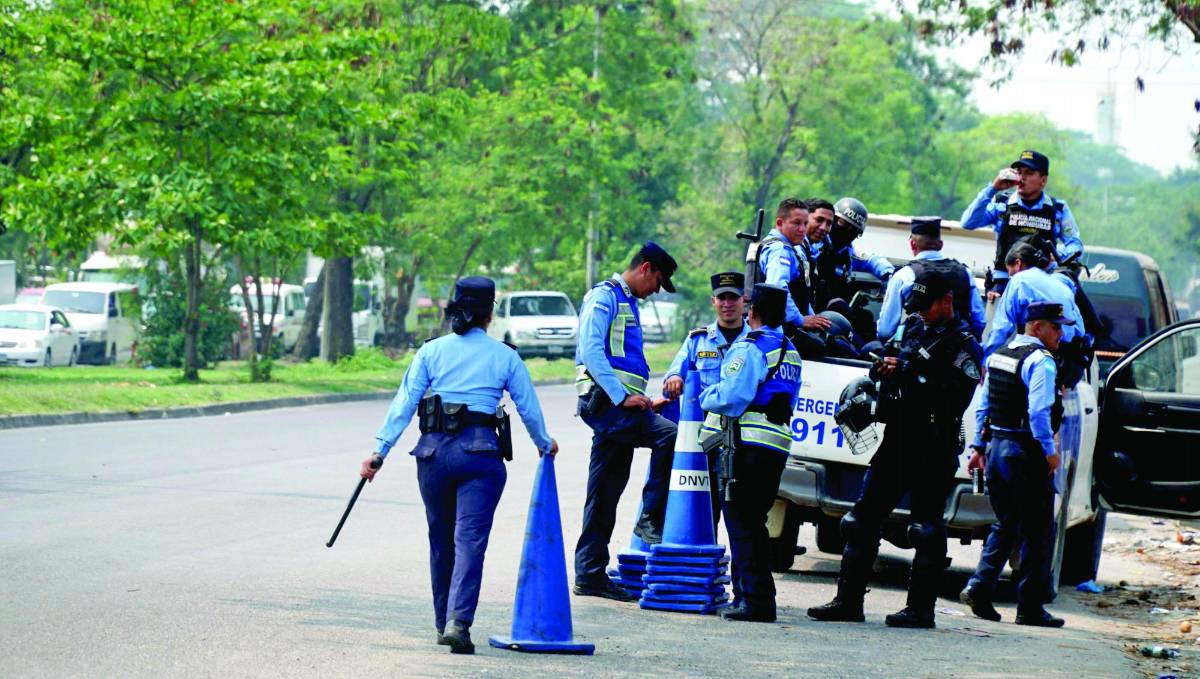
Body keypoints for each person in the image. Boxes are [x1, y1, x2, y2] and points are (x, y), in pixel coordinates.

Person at [362, 276, 559, 655]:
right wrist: (543, 444)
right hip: (480, 455)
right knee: (469, 541)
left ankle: (443, 622)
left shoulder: (431, 352)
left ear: (454, 308)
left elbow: (403, 404)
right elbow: (528, 409)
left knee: (441, 540)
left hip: (432, 455)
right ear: (491, 313)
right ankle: (458, 621)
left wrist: (379, 452)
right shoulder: (505, 356)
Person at [807, 269, 982, 629]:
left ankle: (920, 610)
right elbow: (891, 356)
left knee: (926, 529)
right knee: (861, 520)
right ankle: (848, 601)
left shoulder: (964, 344)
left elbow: (952, 400)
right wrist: (884, 370)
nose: (918, 313)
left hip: (934, 443)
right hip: (898, 439)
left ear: (946, 301)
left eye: (925, 306)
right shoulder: (916, 327)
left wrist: (909, 370)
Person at [572, 242, 679, 602]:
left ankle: (589, 573)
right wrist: (621, 396)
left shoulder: (626, 301)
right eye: (658, 283)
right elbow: (590, 350)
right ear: (646, 268)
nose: (654, 293)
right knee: (669, 437)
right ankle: (651, 518)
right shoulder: (605, 297)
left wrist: (644, 399)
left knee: (604, 492)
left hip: (622, 409)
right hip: (609, 405)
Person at [959, 302, 1072, 628]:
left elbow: (983, 405)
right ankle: (1030, 608)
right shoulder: (1041, 362)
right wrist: (1049, 451)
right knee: (1038, 531)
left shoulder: (999, 355)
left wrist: (980, 447)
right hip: (1027, 452)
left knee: (1005, 523)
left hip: (998, 450)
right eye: (1056, 327)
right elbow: (1039, 413)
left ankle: (980, 588)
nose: (1061, 334)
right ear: (1036, 326)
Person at [699, 283, 802, 622]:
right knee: (755, 524)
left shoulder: (751, 347)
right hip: (776, 446)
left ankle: (756, 603)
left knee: (742, 525)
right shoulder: (790, 350)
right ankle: (756, 598)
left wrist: (705, 396)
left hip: (748, 445)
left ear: (752, 311)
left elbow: (732, 396)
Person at [661, 271, 750, 527]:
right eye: (721, 298)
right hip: (704, 442)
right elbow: (674, 372)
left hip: (743, 439)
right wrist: (675, 378)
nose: (727, 304)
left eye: (732, 298)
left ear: (743, 300)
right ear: (713, 301)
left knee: (741, 512)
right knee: (704, 509)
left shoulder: (754, 340)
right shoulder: (697, 340)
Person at [960, 150, 1083, 300]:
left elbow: (1076, 246)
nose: (1022, 178)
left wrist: (1057, 255)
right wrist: (993, 188)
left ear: (1043, 180)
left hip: (1042, 283)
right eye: (1019, 172)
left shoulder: (1057, 209)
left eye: (1029, 173)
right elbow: (968, 222)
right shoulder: (1002, 204)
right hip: (1004, 281)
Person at [877, 216, 986, 342]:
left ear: (913, 244)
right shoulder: (965, 272)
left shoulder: (904, 276)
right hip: (960, 349)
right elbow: (980, 322)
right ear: (940, 245)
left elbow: (885, 331)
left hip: (920, 353)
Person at [982, 241, 1086, 368]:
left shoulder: (1019, 281)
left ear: (1018, 264)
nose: (1010, 277)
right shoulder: (1061, 285)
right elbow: (1079, 329)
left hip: (1039, 357)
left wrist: (987, 360)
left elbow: (1002, 327)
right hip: (1069, 361)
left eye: (1010, 272)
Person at [812, 197, 894, 339]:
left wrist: (889, 276)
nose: (846, 231)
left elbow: (872, 260)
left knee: (865, 318)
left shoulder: (848, 255)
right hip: (812, 313)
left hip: (835, 317)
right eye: (843, 224)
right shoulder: (815, 246)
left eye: (852, 229)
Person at [754, 198, 831, 337]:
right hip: (775, 331)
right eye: (796, 223)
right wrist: (800, 320)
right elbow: (778, 287)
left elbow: (801, 294)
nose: (802, 229)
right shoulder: (779, 250)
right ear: (779, 223)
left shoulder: (793, 249)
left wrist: (814, 319)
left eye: (805, 223)